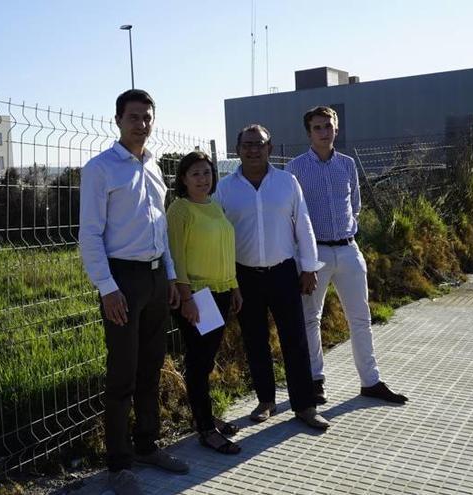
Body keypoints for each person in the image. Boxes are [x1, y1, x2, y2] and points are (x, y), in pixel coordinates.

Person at [79, 89, 188, 495]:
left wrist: (172, 278)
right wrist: (107, 288)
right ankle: (119, 466)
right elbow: (89, 235)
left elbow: (159, 228)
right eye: (133, 117)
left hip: (157, 278)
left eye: (147, 117)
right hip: (122, 281)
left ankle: (146, 445)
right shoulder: (101, 169)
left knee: (150, 369)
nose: (141, 123)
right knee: (122, 375)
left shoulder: (155, 167)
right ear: (118, 120)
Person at [285, 106, 408, 405]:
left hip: (349, 249)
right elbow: (291, 216)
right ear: (309, 133)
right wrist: (305, 258)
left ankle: (370, 381)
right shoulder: (295, 168)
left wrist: (347, 234)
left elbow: (355, 205)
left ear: (336, 129)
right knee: (310, 319)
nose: (324, 132)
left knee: (361, 318)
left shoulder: (348, 165)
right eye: (317, 127)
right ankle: (315, 380)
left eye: (328, 126)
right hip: (315, 253)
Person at [213, 124, 330, 430]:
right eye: (247, 144)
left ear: (269, 147)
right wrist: (228, 280)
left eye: (259, 144)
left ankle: (305, 405)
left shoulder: (287, 182)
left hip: (283, 272)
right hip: (244, 276)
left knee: (295, 339)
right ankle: (266, 401)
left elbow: (303, 224)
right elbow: (218, 236)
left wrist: (308, 267)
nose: (253, 149)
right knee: (255, 340)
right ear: (237, 150)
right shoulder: (225, 188)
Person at [167, 151, 243, 455]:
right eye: (195, 174)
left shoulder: (215, 205)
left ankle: (206, 416)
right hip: (198, 295)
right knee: (199, 363)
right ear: (183, 179)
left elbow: (226, 247)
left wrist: (235, 286)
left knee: (206, 359)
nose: (203, 179)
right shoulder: (180, 210)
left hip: (222, 291)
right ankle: (206, 429)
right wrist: (186, 298)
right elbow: (176, 257)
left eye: (207, 173)